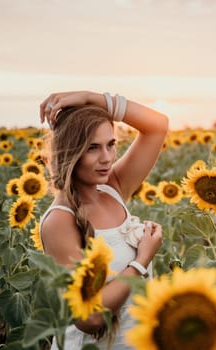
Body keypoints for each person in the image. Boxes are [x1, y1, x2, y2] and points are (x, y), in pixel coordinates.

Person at [38, 90, 168, 349]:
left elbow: (157, 127)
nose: (107, 158)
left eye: (111, 144)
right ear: (70, 152)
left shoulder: (112, 188)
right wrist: (141, 262)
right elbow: (89, 317)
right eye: (92, 148)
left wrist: (92, 98)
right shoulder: (60, 221)